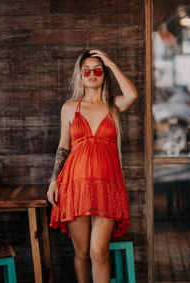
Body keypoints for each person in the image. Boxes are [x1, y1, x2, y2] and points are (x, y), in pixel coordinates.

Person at [47, 49, 138, 283]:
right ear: (80, 75)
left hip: (106, 187)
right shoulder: (70, 108)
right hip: (75, 186)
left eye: (97, 69)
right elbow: (63, 146)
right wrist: (53, 181)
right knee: (83, 252)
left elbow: (132, 95)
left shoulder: (113, 106)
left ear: (103, 75)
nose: (92, 73)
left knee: (99, 251)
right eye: (86, 69)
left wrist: (109, 62)